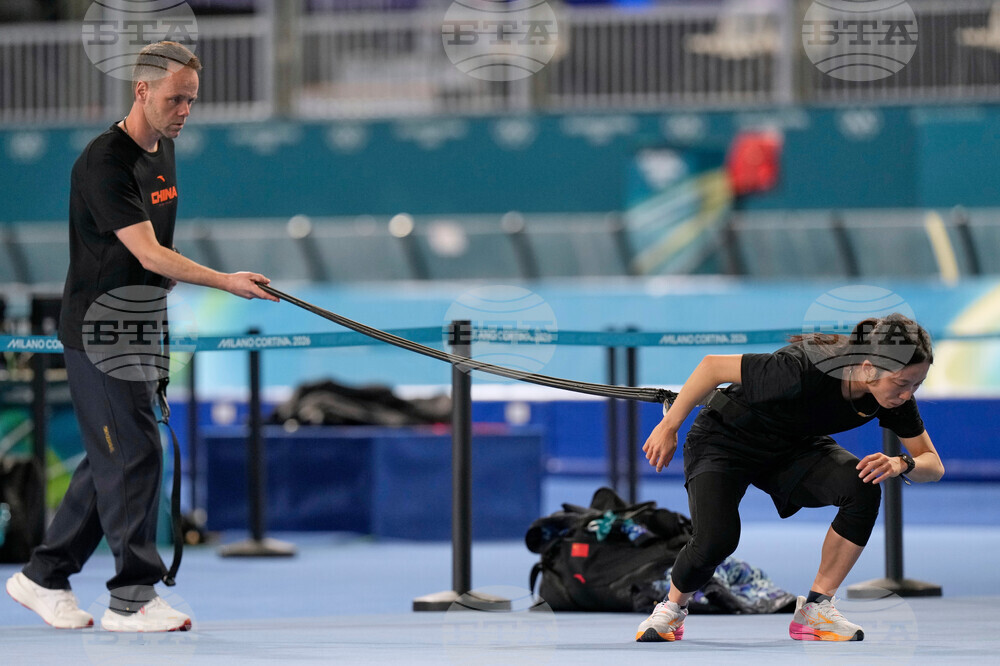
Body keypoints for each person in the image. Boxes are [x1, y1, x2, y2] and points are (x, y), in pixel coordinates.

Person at [5, 41, 279, 632]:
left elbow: (152, 264)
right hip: (98, 332)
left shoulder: (166, 150)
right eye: (176, 98)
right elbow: (149, 250)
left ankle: (43, 575)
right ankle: (132, 595)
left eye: (191, 100)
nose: (185, 110)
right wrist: (226, 281)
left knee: (113, 458)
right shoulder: (104, 161)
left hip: (139, 325)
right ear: (142, 90)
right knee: (133, 453)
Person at [635, 313, 944, 643]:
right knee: (717, 540)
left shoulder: (894, 397)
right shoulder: (801, 369)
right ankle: (672, 608)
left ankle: (816, 608)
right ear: (868, 368)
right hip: (724, 440)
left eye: (916, 385)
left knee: (861, 486)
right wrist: (669, 427)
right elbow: (712, 366)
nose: (908, 395)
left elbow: (933, 465)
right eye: (902, 384)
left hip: (793, 448)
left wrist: (901, 464)